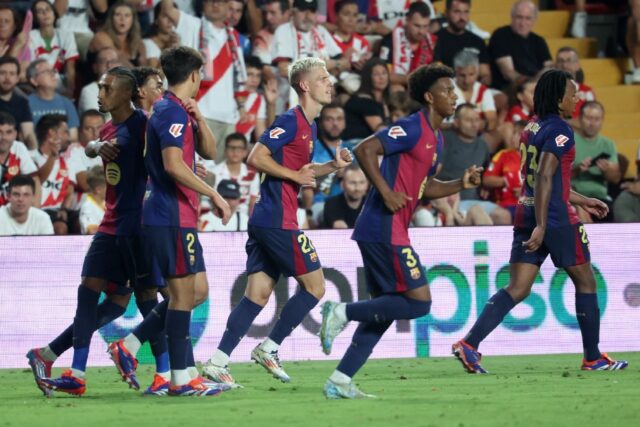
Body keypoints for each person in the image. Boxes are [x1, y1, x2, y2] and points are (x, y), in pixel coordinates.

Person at [317, 64, 483, 399]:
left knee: (383, 311)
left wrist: (459, 184)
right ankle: (340, 311)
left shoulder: (434, 138)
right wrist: (386, 191)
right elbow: (366, 150)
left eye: (454, 90)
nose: (454, 96)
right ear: (429, 97)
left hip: (387, 229)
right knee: (419, 303)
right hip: (383, 227)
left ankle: (340, 380)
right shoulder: (411, 127)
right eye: (447, 90)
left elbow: (422, 187)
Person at [451, 69, 628, 374]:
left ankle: (469, 344)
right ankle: (593, 357)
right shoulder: (561, 131)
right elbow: (545, 176)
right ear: (559, 98)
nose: (577, 98)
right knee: (586, 282)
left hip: (526, 212)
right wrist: (544, 226)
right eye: (573, 93)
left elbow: (540, 180)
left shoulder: (531, 127)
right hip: (555, 219)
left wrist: (582, 200)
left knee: (518, 288)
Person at [201, 57, 352, 386]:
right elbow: (257, 156)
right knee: (316, 286)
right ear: (305, 85)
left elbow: (304, 174)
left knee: (257, 294)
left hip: (267, 217)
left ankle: (217, 362)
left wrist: (333, 167)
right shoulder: (290, 119)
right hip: (278, 219)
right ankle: (269, 348)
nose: (331, 83)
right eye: (323, 78)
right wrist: (293, 174)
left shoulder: (309, 127)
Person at [108, 46, 231, 397]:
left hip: (180, 216)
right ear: (194, 75)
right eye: (201, 73)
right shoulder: (169, 113)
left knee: (196, 292)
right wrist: (215, 195)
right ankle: (181, 378)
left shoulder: (176, 110)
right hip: (170, 215)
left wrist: (201, 118)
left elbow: (210, 152)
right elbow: (175, 166)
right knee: (180, 297)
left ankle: (129, 346)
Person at [27, 67, 151, 397]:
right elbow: (91, 147)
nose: (99, 94)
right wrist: (95, 146)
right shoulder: (111, 127)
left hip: (138, 227)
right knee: (98, 293)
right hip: (114, 226)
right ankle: (77, 371)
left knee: (121, 303)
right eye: (100, 87)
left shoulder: (142, 126)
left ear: (127, 93)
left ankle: (50, 355)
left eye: (107, 88)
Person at [161, 0, 248, 162]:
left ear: (227, 7)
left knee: (223, 173)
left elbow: (239, 76)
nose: (215, 5)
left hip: (229, 116)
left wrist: (242, 106)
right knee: (201, 170)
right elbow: (167, 8)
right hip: (200, 112)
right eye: (210, 1)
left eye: (220, 2)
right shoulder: (192, 24)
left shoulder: (234, 36)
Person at [439, 104, 512, 224]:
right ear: (456, 122)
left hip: (473, 200)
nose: (474, 124)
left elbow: (485, 174)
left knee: (504, 216)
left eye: (477, 120)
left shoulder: (482, 145)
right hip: (448, 200)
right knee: (478, 216)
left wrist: (485, 187)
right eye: (468, 120)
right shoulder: (444, 140)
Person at [571, 101, 620, 221]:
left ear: (602, 120)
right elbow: (558, 176)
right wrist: (578, 169)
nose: (592, 123)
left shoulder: (608, 144)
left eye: (596, 119)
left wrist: (607, 170)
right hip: (574, 197)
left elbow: (615, 179)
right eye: (589, 118)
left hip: (600, 198)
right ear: (580, 118)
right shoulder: (570, 140)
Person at [488, 0, 552, 91]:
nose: (522, 23)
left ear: (534, 20)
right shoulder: (500, 35)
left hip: (536, 87)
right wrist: (532, 83)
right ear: (512, 17)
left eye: (528, 18)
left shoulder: (539, 41)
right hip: (508, 89)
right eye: (519, 17)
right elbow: (508, 73)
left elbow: (549, 67)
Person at [31, 114, 78, 235]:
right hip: (39, 210)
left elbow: (69, 192)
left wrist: (64, 209)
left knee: (81, 221)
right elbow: (38, 180)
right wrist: (53, 156)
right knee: (60, 228)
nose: (69, 137)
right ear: (52, 133)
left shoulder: (68, 161)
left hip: (59, 210)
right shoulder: (31, 157)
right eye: (65, 132)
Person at [302, 103, 347, 225]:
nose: (335, 124)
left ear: (345, 123)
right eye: (329, 119)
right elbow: (306, 186)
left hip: (349, 204)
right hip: (320, 205)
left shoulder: (351, 149)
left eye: (339, 119)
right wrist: (309, 214)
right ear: (320, 123)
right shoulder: (311, 150)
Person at [379, 2, 437, 89]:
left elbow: (438, 73)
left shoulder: (432, 42)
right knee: (396, 88)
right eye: (417, 26)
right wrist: (411, 79)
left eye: (425, 26)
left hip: (424, 91)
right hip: (398, 89)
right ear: (407, 21)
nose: (421, 31)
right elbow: (383, 75)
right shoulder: (391, 40)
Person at [433, 0, 491, 86]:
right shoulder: (435, 40)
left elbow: (485, 75)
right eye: (457, 12)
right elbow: (436, 74)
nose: (462, 17)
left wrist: (477, 90)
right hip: (447, 90)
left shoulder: (478, 41)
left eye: (466, 12)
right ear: (446, 13)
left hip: (474, 90)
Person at [29, 0, 79, 95]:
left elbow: (70, 68)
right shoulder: (31, 36)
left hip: (59, 83)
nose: (45, 13)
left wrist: (70, 89)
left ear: (54, 13)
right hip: (38, 83)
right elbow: (33, 69)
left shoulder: (67, 35)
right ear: (35, 18)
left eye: (48, 9)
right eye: (40, 11)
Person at [204, 132, 260, 217]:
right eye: (231, 148)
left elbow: (253, 202)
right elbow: (211, 201)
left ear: (245, 152)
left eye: (239, 148)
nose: (235, 152)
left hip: (243, 218)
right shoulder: (214, 172)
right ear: (225, 150)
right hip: (219, 216)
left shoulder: (253, 174)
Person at [27, 59, 80, 141]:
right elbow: (27, 136)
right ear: (34, 81)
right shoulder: (26, 104)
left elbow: (73, 137)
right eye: (46, 72)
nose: (53, 74)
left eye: (53, 71)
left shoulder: (67, 103)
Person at [483, 120, 525, 219]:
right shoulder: (503, 155)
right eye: (513, 133)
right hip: (507, 205)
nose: (513, 137)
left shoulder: (538, 158)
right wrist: (505, 180)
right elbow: (486, 180)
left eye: (518, 134)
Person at [64, 110, 105, 212]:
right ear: (80, 131)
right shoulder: (74, 151)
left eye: (99, 128)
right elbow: (86, 184)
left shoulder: (111, 149)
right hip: (84, 202)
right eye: (89, 129)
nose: (95, 133)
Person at [342, 58, 390, 143]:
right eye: (376, 74)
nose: (381, 77)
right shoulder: (364, 101)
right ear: (368, 77)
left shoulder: (383, 101)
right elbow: (382, 132)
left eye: (384, 73)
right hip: (354, 144)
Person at [88, 1, 147, 67]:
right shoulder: (101, 37)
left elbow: (143, 67)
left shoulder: (139, 43)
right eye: (117, 15)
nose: (122, 19)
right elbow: (119, 61)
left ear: (133, 20)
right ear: (111, 19)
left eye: (127, 15)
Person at [451, 49, 497, 133]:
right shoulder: (448, 90)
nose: (467, 80)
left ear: (477, 72)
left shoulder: (483, 91)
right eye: (462, 75)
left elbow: (492, 122)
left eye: (471, 74)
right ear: (455, 71)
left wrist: (466, 125)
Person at [0, 112, 40, 206]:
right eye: (0, 132)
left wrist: (35, 209)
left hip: (14, 210)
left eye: (8, 132)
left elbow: (34, 179)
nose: (3, 137)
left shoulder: (19, 148)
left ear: (15, 134)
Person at [235, 56, 277, 144]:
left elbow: (263, 139)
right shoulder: (229, 95)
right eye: (250, 74)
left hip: (242, 151)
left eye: (258, 75)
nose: (255, 80)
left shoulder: (259, 99)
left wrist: (271, 104)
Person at [0, 56, 36, 149]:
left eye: (12, 74)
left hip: (14, 152)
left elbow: (28, 134)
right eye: (3, 73)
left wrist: (34, 153)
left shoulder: (22, 102)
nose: (7, 78)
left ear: (17, 78)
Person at [321, 164, 367, 229]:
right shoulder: (331, 204)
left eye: (362, 182)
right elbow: (340, 230)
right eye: (352, 183)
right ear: (342, 185)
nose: (357, 188)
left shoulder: (373, 205)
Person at [78, 47, 122, 115]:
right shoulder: (88, 91)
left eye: (113, 61)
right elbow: (98, 123)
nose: (109, 65)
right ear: (95, 68)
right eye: (103, 61)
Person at [555, 47, 595, 120]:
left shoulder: (587, 92)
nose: (564, 65)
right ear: (555, 65)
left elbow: (591, 121)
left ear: (577, 65)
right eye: (560, 61)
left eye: (569, 61)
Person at [143, 2, 180, 70]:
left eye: (173, 16)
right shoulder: (146, 43)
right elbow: (154, 78)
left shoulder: (180, 40)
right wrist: (168, 52)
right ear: (156, 20)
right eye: (165, 16)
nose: (170, 20)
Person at [79, 165, 105, 235]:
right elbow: (91, 231)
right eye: (109, 187)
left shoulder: (106, 204)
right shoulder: (88, 207)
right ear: (98, 190)